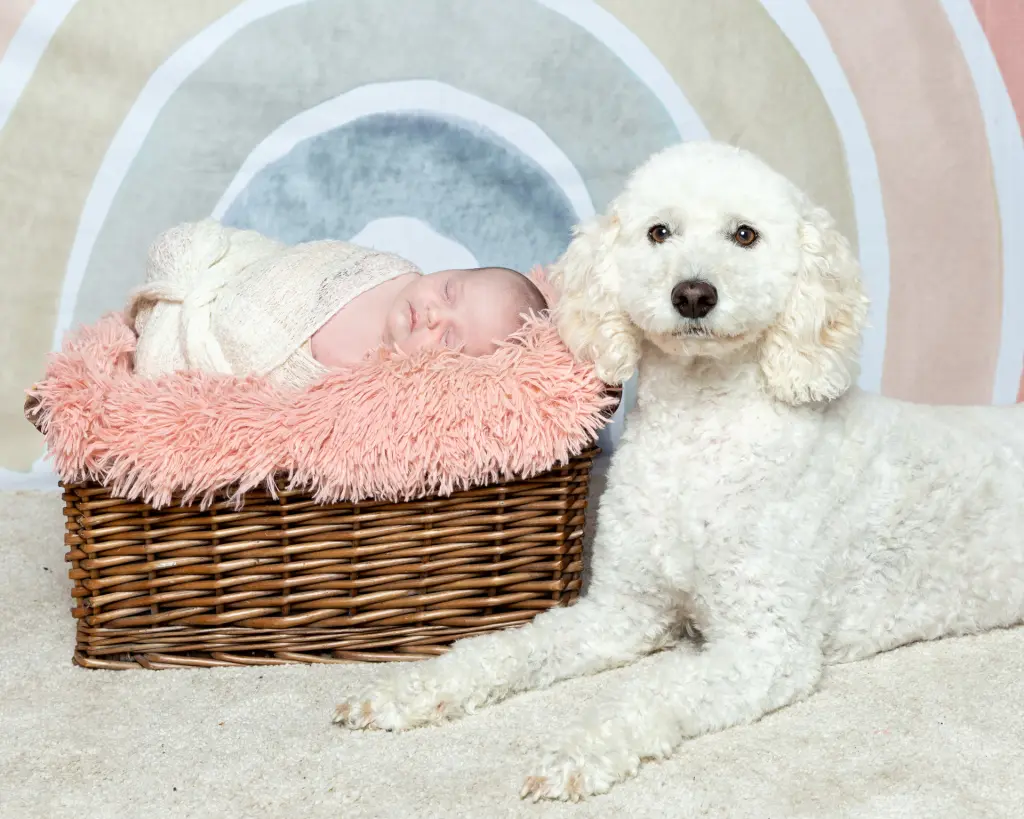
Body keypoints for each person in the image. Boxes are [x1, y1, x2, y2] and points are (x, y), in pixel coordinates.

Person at [127, 219, 548, 389]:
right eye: (450, 291)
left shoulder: (381, 382)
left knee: (162, 364)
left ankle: (183, 319)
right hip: (241, 274)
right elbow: (302, 261)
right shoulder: (389, 269)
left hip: (220, 343)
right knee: (184, 244)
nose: (435, 314)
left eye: (450, 337)